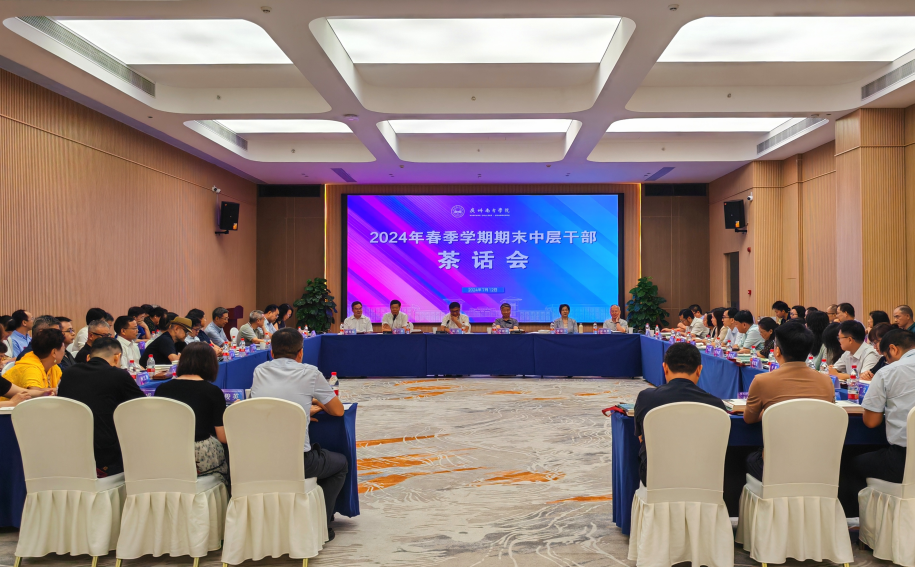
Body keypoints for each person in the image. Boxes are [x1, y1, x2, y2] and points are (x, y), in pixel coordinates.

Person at [250, 328, 346, 539]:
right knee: (340, 464)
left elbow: (264, 404)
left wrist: (301, 408)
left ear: (271, 353)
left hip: (259, 460)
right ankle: (320, 525)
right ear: (301, 353)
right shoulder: (310, 373)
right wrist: (312, 402)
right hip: (297, 462)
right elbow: (338, 411)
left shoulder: (259, 371)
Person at [743, 322, 836, 480]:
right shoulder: (826, 381)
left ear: (777, 351)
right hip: (817, 464)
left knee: (747, 458)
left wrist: (768, 410)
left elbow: (749, 419)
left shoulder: (762, 380)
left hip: (775, 466)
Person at [633, 343, 727, 486]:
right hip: (704, 478)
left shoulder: (646, 398)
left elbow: (642, 438)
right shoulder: (716, 404)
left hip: (654, 477)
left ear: (665, 368)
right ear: (699, 370)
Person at [58, 337, 145, 475]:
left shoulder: (69, 373)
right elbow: (141, 407)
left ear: (89, 357)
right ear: (117, 357)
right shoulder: (118, 375)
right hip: (106, 452)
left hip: (70, 447)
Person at [154, 343, 228, 485]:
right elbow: (223, 437)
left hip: (167, 452)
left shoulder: (162, 389)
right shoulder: (212, 392)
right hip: (199, 455)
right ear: (210, 364)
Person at [854, 329, 915, 486]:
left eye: (887, 358)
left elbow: (871, 422)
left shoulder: (888, 372)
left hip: (904, 460)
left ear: (893, 349)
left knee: (851, 464)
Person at [4, 328, 65, 395]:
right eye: (63, 348)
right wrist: (58, 390)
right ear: (54, 352)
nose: (64, 352)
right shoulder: (30, 366)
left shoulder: (53, 367)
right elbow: (34, 393)